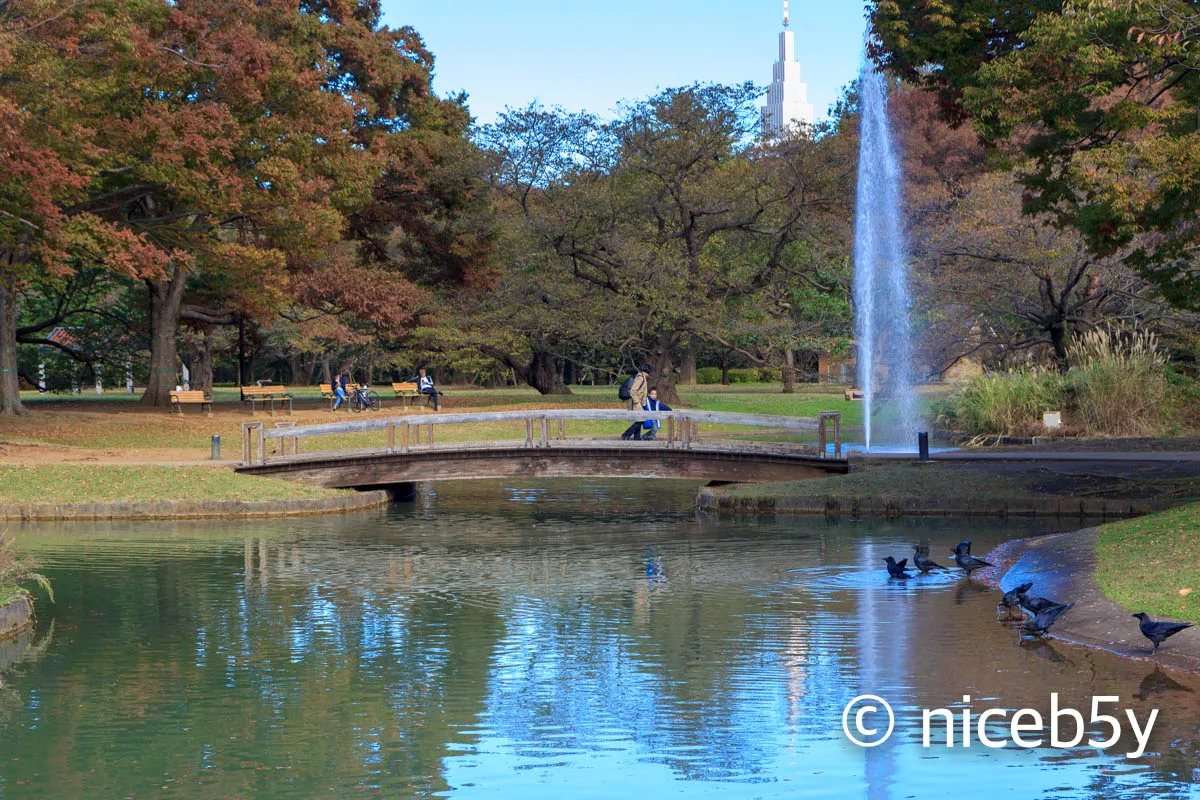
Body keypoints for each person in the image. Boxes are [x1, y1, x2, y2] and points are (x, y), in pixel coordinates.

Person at [620, 365, 653, 440]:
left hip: (639, 403)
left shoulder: (642, 377)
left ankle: (637, 437)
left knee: (639, 419)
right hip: (636, 403)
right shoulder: (640, 378)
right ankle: (626, 434)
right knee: (641, 420)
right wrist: (637, 402)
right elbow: (633, 391)